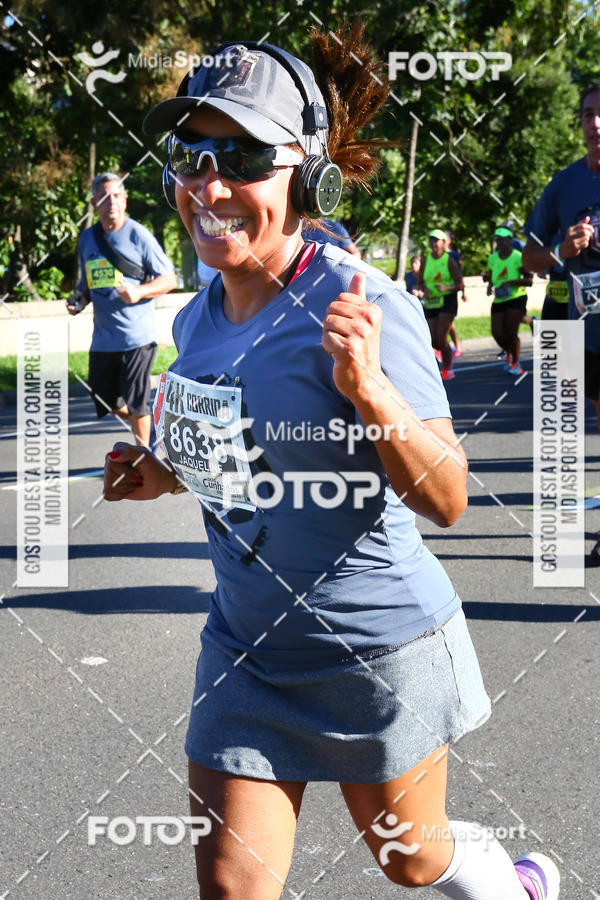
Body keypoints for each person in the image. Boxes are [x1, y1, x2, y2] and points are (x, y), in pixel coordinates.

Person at [104, 29, 560, 900]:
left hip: (374, 650)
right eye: (190, 154)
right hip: (246, 649)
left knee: (412, 860)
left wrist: (369, 391)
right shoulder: (197, 318)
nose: (208, 183)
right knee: (234, 889)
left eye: (240, 154)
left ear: (308, 176)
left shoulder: (362, 301)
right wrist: (158, 469)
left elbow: (449, 496)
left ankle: (519, 884)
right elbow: (228, 462)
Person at [522, 80, 600, 564]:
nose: (596, 122)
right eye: (589, 113)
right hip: (585, 333)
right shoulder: (565, 184)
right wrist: (561, 252)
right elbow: (531, 255)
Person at [66, 173, 177, 446]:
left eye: (116, 196)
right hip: (104, 340)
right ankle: (151, 432)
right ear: (94, 203)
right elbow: (87, 285)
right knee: (106, 400)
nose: (111, 202)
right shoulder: (87, 239)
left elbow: (169, 278)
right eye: (104, 197)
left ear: (125, 200)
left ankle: (145, 456)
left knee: (137, 403)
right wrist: (78, 300)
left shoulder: (139, 235)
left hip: (137, 338)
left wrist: (139, 291)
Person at [484, 226, 533, 375]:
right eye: (497, 239)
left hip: (516, 298)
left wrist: (510, 283)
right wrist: (489, 284)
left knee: (511, 332)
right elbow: (492, 276)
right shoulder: (493, 258)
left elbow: (529, 280)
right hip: (499, 299)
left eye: (502, 238)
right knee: (497, 333)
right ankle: (510, 353)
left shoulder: (518, 257)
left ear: (510, 239)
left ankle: (516, 363)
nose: (499, 241)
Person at [419, 228, 464, 380]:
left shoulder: (449, 260)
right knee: (432, 339)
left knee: (440, 335)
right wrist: (424, 291)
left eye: (436, 240)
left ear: (444, 243)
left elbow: (460, 284)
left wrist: (446, 287)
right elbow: (421, 283)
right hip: (432, 302)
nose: (433, 243)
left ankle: (447, 368)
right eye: (431, 240)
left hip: (447, 301)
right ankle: (447, 351)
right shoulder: (425, 261)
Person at [445, 231, 466, 356]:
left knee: (449, 321)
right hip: (438, 294)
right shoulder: (433, 256)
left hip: (451, 291)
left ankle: (456, 346)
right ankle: (449, 346)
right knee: (447, 322)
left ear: (449, 240)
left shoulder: (454, 255)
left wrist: (463, 291)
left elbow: (460, 275)